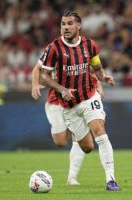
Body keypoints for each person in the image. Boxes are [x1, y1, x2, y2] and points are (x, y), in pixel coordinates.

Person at [39, 10, 120, 191]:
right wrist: (62, 89)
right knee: (87, 147)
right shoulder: (54, 48)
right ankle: (76, 172)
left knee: (99, 130)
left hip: (89, 97)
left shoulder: (90, 45)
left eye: (69, 24)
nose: (65, 27)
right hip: (69, 105)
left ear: (79, 26)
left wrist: (104, 77)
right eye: (63, 24)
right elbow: (43, 77)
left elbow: (96, 67)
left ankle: (111, 180)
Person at [32, 63, 104, 186]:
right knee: (61, 142)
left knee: (82, 142)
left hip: (78, 100)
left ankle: (72, 178)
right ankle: (72, 129)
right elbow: (37, 68)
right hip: (56, 102)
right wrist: (34, 86)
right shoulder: (54, 52)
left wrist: (99, 86)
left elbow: (91, 69)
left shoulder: (80, 51)